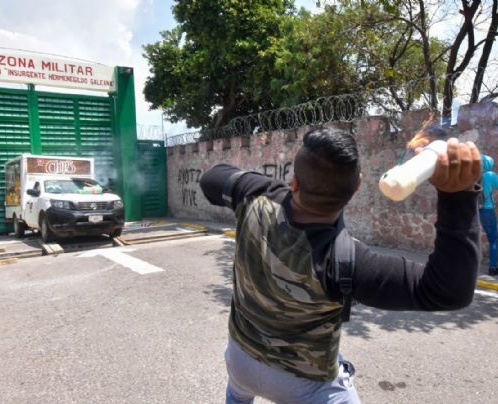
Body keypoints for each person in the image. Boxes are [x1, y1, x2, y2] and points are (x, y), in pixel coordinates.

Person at [199, 127, 482, 404]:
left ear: (294, 182)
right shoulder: (347, 259)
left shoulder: (256, 196)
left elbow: (211, 179)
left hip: (240, 359)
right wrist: (458, 197)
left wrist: (267, 186)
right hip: (303, 385)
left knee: (237, 394)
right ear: (357, 186)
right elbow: (448, 291)